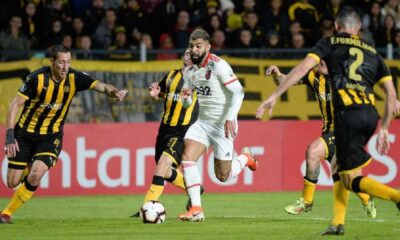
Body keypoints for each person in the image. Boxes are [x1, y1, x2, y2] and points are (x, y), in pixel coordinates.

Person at [256, 7, 399, 235]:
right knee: (343, 173)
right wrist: (384, 126)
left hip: (346, 120)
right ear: (359, 28)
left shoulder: (333, 51)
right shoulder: (368, 53)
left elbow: (303, 66)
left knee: (325, 160)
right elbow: (389, 92)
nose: (321, 64)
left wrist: (273, 97)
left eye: (323, 62)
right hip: (367, 117)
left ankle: (393, 196)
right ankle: (341, 220)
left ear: (336, 26)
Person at [0, 45, 128, 224]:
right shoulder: (36, 79)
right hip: (25, 135)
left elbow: (101, 86)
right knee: (12, 182)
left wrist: (115, 92)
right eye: (61, 62)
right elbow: (15, 105)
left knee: (36, 175)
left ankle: (6, 213)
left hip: (51, 137)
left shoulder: (74, 78)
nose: (65, 66)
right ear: (52, 61)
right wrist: (10, 135)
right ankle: (31, 164)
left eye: (68, 62)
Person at [265, 63, 376, 218]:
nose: (320, 64)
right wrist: (277, 73)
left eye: (324, 61)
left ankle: (307, 201)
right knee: (349, 179)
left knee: (314, 151)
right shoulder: (312, 75)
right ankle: (366, 197)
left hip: (345, 131)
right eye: (318, 61)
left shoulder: (345, 76)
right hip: (329, 131)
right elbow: (284, 81)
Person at [179, 29, 258, 222]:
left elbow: (238, 92)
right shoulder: (189, 71)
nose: (194, 50)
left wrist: (231, 117)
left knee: (223, 176)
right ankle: (196, 209)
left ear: (207, 47)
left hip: (223, 125)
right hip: (203, 123)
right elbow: (187, 102)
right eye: (191, 46)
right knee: (187, 158)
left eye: (198, 46)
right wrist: (186, 100)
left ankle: (246, 158)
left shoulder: (218, 65)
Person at [130, 49, 200, 217]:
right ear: (183, 57)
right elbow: (162, 93)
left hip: (183, 130)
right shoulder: (171, 75)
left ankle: (146, 207)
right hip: (165, 129)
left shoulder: (200, 79)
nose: (189, 57)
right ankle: (195, 187)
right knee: (165, 171)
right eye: (187, 54)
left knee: (162, 164)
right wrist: (156, 95)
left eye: (193, 54)